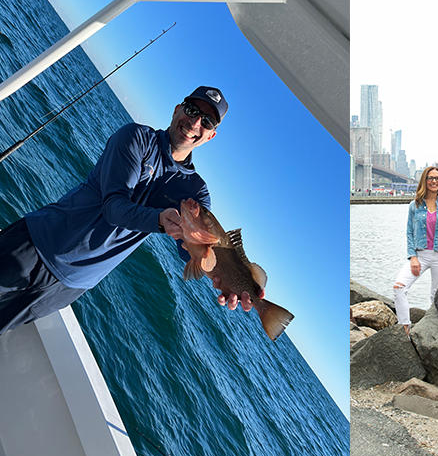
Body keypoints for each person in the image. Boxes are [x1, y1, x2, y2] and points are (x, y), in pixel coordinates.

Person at [0, 86, 258, 336]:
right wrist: (158, 220)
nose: (195, 123)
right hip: (37, 245)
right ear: (177, 109)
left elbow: (189, 250)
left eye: (207, 122)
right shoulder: (136, 138)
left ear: (211, 135)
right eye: (191, 110)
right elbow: (113, 207)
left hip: (74, 283)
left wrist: (224, 279)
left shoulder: (197, 192)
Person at [393, 166, 438, 335]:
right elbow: (409, 233)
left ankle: (433, 332)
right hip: (420, 255)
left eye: (437, 178)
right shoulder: (415, 205)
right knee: (399, 287)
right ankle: (404, 327)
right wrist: (412, 257)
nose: (434, 181)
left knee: (437, 296)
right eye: (430, 178)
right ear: (424, 181)